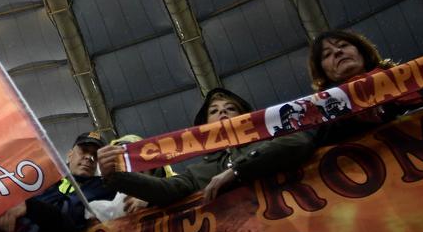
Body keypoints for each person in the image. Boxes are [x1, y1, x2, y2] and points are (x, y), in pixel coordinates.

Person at [98, 88, 315, 206]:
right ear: (204, 126)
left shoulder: (268, 141)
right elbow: (166, 191)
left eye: (231, 109)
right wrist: (115, 176)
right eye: (215, 111)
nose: (223, 113)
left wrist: (236, 171)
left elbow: (298, 141)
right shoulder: (196, 173)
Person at [307, 30, 423, 145]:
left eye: (343, 45)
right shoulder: (326, 117)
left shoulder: (412, 77)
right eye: (326, 55)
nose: (338, 51)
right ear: (322, 72)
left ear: (361, 51)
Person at [0, 132, 116, 232]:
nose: (89, 157)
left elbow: (68, 214)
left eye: (95, 155)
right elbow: (16, 224)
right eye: (84, 150)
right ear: (70, 154)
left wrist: (30, 207)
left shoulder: (102, 187)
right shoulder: (42, 182)